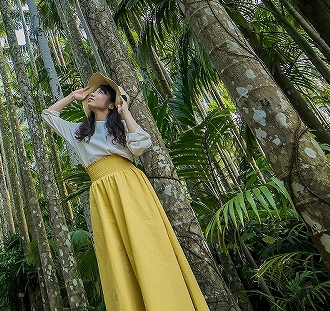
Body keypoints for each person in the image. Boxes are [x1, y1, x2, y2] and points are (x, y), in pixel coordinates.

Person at [42, 72, 209, 311]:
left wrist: (125, 111)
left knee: (146, 243)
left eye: (100, 92)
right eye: (93, 91)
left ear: (111, 103)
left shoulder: (120, 127)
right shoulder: (80, 131)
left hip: (129, 187)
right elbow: (48, 115)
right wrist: (72, 96)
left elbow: (142, 144)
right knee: (117, 254)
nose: (93, 94)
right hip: (101, 193)